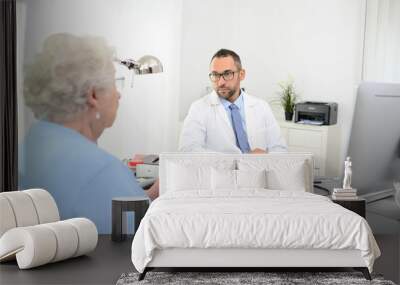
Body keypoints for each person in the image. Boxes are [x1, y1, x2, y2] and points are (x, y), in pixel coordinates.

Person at [19, 33, 159, 234]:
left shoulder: (28, 145)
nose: (118, 94)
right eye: (115, 82)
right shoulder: (102, 171)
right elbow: (146, 236)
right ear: (93, 95)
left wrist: (148, 196)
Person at [179, 49, 287, 153]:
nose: (220, 82)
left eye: (227, 74)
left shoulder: (262, 106)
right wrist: (234, 162)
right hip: (220, 171)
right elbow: (188, 150)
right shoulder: (199, 108)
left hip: (257, 170)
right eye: (215, 75)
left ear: (241, 74)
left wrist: (264, 156)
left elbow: (280, 149)